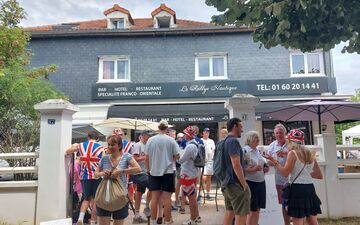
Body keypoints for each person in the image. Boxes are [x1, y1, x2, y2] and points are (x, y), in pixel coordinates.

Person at [264, 129, 323, 225]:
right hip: (309, 188)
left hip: (297, 189)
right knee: (312, 220)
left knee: (297, 220)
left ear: (291, 141)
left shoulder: (293, 153)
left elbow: (285, 173)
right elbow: (319, 175)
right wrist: (305, 172)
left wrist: (275, 162)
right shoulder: (309, 153)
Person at [94, 135, 141, 225]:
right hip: (104, 196)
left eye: (113, 144)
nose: (110, 147)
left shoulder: (126, 156)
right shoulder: (104, 159)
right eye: (109, 144)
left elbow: (138, 169)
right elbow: (95, 175)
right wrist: (102, 173)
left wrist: (121, 171)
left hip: (120, 196)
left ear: (119, 146)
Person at [66, 131, 105, 225]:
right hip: (97, 176)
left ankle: (80, 218)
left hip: (85, 176)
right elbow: (103, 162)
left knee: (86, 198)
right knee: (96, 200)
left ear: (88, 137)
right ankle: (93, 222)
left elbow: (68, 151)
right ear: (98, 139)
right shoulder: (101, 148)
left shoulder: (81, 145)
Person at [145, 120, 180, 225]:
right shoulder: (171, 140)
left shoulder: (151, 140)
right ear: (167, 128)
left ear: (158, 128)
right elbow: (177, 156)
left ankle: (153, 221)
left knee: (154, 198)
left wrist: (148, 169)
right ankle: (167, 221)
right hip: (168, 171)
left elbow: (147, 157)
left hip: (154, 171)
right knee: (167, 199)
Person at [222, 118, 250, 225]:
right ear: (235, 126)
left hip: (228, 182)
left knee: (230, 212)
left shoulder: (225, 141)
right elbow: (236, 164)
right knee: (241, 215)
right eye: (241, 127)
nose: (242, 130)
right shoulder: (233, 141)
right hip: (236, 184)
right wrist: (244, 184)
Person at [242, 131, 269, 225]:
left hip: (261, 181)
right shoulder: (245, 151)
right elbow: (242, 168)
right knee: (251, 210)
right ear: (249, 140)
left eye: (258, 137)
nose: (257, 139)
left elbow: (263, 163)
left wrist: (266, 168)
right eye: (255, 138)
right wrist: (253, 169)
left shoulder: (258, 150)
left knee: (258, 208)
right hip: (251, 182)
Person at [267, 123, 290, 225]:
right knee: (283, 204)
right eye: (276, 133)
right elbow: (268, 162)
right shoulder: (272, 146)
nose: (279, 135)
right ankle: (287, 223)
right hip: (279, 180)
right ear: (274, 134)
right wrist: (271, 162)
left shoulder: (291, 144)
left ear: (285, 133)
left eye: (280, 133)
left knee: (294, 204)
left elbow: (299, 156)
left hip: (292, 179)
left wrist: (285, 154)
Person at [178, 126, 201, 225]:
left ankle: (192, 220)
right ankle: (196, 217)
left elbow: (181, 160)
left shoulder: (190, 146)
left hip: (188, 174)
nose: (183, 136)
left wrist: (176, 154)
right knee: (193, 197)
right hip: (192, 173)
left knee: (191, 198)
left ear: (188, 135)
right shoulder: (194, 144)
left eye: (185, 134)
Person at [131, 131, 152, 223]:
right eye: (148, 135)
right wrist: (145, 157)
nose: (150, 137)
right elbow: (134, 159)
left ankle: (137, 214)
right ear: (143, 136)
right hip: (140, 172)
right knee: (153, 187)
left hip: (147, 172)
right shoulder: (138, 145)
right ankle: (146, 207)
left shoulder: (149, 145)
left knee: (139, 193)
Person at [201, 128, 215, 201]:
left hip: (210, 161)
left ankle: (207, 193)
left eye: (208, 132)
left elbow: (213, 150)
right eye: (205, 132)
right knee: (202, 178)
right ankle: (200, 194)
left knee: (209, 177)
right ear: (203, 133)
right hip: (202, 162)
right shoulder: (200, 140)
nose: (207, 133)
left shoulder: (211, 141)